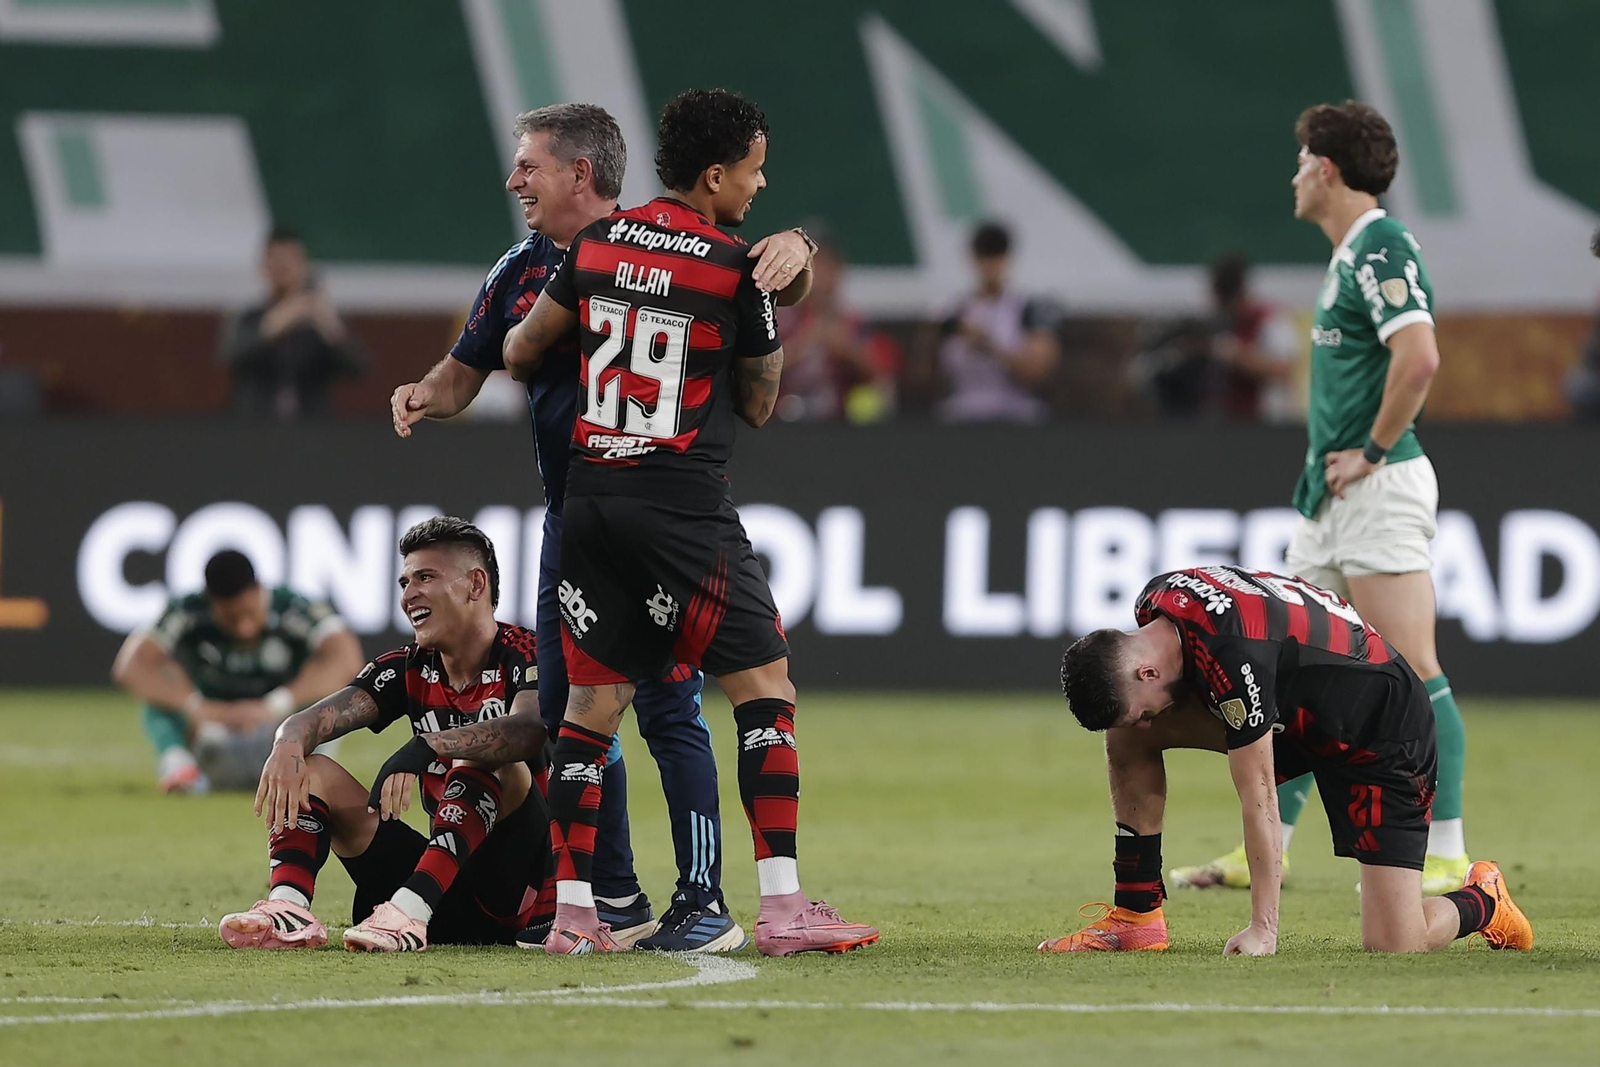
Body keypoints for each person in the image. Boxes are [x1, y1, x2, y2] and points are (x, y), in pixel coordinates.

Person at [417, 87, 877, 957]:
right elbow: (761, 399)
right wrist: (760, 318)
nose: (761, 182)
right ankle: (780, 907)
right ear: (715, 173)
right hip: (684, 510)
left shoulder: (594, 246)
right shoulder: (732, 265)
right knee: (763, 690)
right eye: (753, 168)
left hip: (587, 504)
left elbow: (516, 351)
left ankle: (577, 914)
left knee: (587, 713)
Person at [1171, 102, 1471, 896]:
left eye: (1303, 159)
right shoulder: (1350, 253)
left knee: (1412, 669)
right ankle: (1265, 845)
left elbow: (1421, 358)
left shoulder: (1381, 244)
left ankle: (1448, 847)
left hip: (1379, 487)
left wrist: (1370, 452)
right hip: (1330, 500)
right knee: (1294, 673)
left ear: (1329, 170)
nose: (1295, 174)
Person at [1047, 565, 1532, 956]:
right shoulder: (1156, 601)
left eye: (1143, 706)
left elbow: (1258, 795)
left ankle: (1484, 899)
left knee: (1395, 942)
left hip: (1380, 731)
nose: (1147, 720)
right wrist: (1135, 714)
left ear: (1146, 669)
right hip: (1299, 714)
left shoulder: (1234, 654)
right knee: (1127, 734)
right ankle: (1137, 915)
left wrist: (1264, 928)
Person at [218, 517, 550, 953]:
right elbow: (310, 721)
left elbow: (528, 731)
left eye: (425, 578)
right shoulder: (408, 667)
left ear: (475, 584)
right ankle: (288, 908)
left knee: (489, 756)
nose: (408, 595)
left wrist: (430, 745)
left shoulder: (529, 654)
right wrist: (287, 742)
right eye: (404, 581)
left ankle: (409, 911)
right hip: (444, 887)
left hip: (519, 898)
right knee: (313, 769)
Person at [111, 550, 362, 794]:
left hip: (285, 737)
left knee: (333, 695)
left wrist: (274, 705)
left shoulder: (292, 608)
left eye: (250, 614)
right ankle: (180, 770)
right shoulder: (188, 611)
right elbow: (130, 667)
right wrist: (197, 706)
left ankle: (311, 775)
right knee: (159, 685)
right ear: (211, 603)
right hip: (213, 734)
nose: (243, 629)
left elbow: (347, 659)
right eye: (231, 618)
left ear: (260, 590)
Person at [219, 227, 363, 419]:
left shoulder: (320, 320)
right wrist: (275, 323)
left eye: (291, 262)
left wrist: (330, 327)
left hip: (313, 427)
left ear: (305, 265)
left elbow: (358, 368)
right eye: (278, 263)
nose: (284, 269)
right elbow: (230, 356)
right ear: (265, 267)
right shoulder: (248, 317)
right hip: (254, 425)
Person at [933, 221, 1060, 422]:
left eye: (997, 257)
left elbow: (1037, 372)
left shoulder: (1028, 308)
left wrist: (988, 344)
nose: (991, 265)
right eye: (984, 257)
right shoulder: (953, 311)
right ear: (974, 259)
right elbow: (925, 376)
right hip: (964, 415)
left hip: (1015, 415)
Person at [773, 229, 901, 422]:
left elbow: (886, 371)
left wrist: (849, 350)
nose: (817, 274)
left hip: (837, 429)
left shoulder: (853, 324)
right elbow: (753, 372)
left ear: (838, 271)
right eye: (810, 264)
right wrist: (804, 343)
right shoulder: (778, 321)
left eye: (825, 265)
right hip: (780, 426)